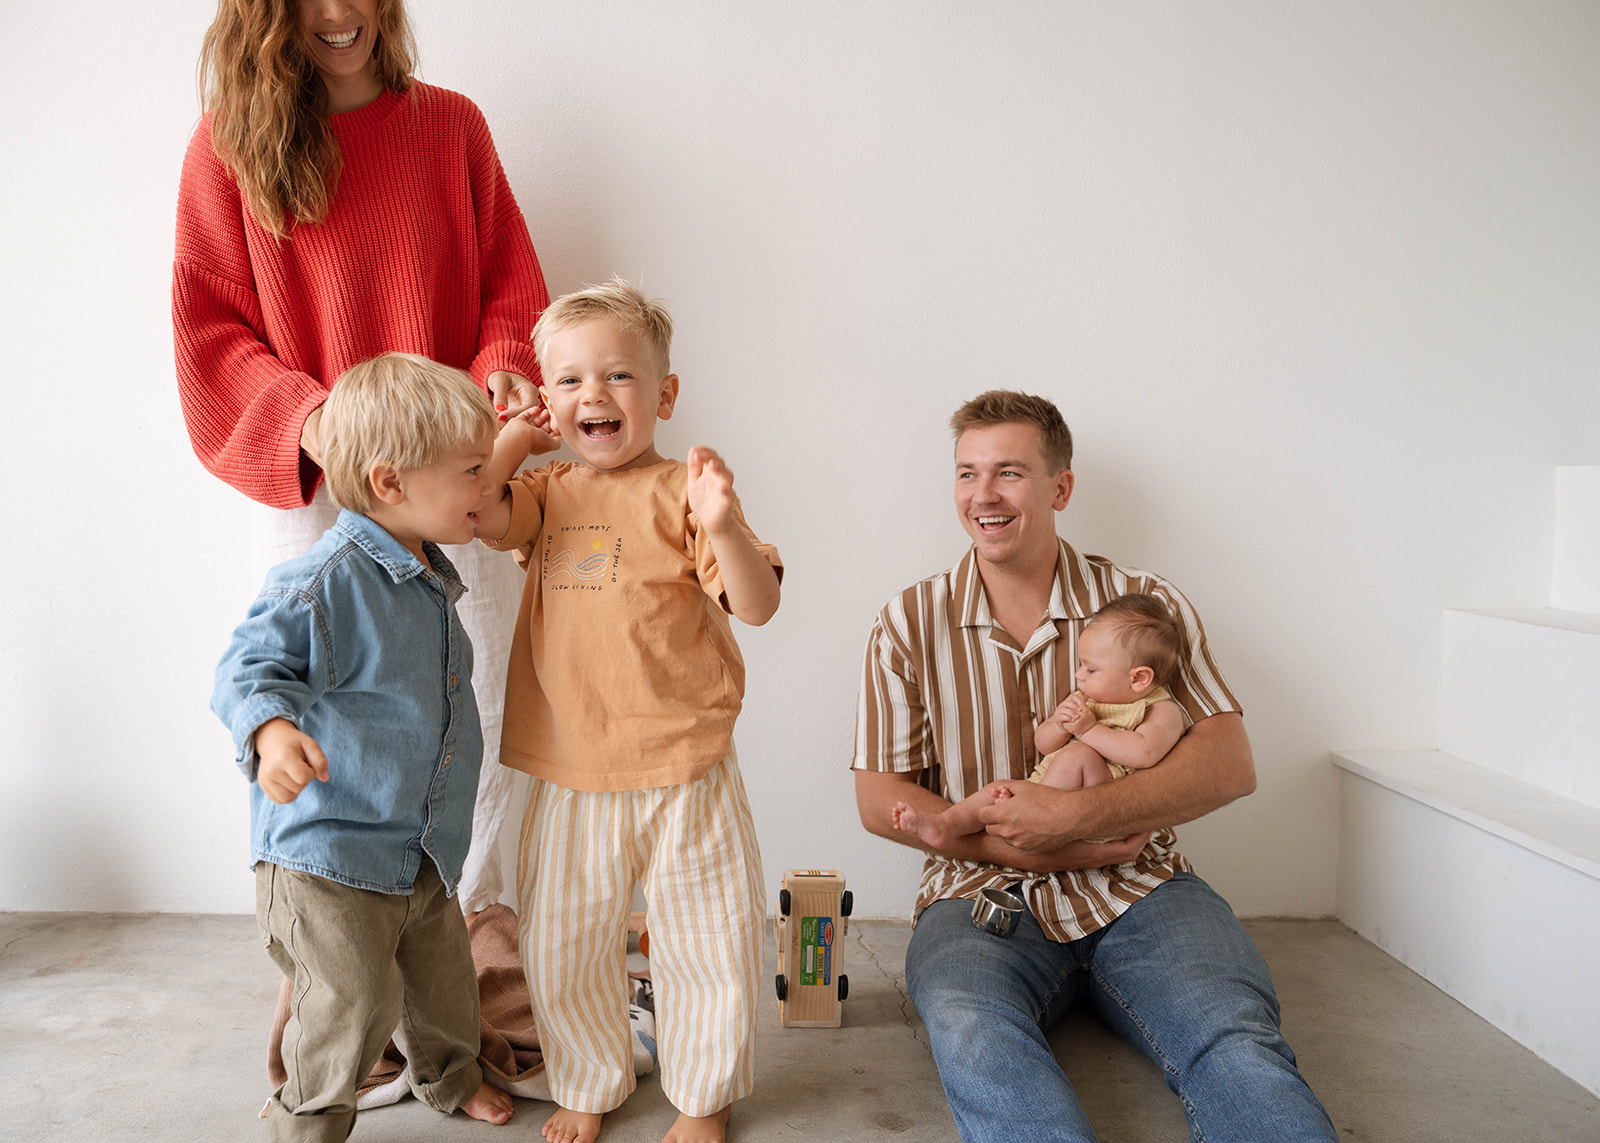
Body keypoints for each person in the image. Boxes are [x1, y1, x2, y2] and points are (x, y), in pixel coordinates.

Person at [852, 390, 1337, 1143]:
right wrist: (1012, 843)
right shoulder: (905, 623)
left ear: (1059, 488)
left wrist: (1077, 818)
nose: (983, 494)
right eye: (967, 473)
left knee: (1232, 1032)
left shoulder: (1143, 606)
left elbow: (1228, 761)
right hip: (980, 894)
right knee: (970, 1028)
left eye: (1009, 472)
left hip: (1141, 884)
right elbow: (879, 794)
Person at [173, 0, 548, 917]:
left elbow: (510, 282)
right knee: (322, 715)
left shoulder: (451, 126)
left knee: (481, 701)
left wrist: (502, 373)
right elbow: (211, 331)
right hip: (321, 490)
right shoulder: (227, 149)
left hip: (461, 474)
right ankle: (329, 947)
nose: (339, 14)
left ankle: (474, 932)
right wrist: (318, 422)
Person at [472, 280, 782, 1143]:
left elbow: (755, 605)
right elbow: (478, 514)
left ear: (665, 395)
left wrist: (722, 525)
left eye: (617, 376)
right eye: (569, 382)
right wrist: (509, 443)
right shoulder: (548, 490)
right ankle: (586, 1076)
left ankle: (703, 1093)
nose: (593, 397)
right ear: (546, 400)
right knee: (563, 943)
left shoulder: (687, 491)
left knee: (706, 940)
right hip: (574, 769)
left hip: (689, 764)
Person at [211, 354, 516, 1140]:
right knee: (352, 1001)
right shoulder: (325, 580)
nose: (487, 487)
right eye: (473, 471)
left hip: (413, 849)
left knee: (445, 984)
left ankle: (450, 1074)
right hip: (328, 858)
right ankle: (307, 1116)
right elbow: (247, 665)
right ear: (392, 483)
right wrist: (271, 729)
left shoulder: (427, 570)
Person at [890, 592, 1185, 850]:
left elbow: (1143, 754)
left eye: (1091, 669)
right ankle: (945, 826)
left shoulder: (1160, 710)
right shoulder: (1088, 699)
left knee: (1079, 754)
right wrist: (1058, 724)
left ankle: (1028, 809)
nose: (1079, 674)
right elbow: (1042, 744)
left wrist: (1089, 730)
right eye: (1081, 664)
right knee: (997, 788)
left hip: (1101, 810)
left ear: (1139, 678)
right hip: (1046, 787)